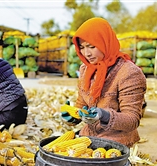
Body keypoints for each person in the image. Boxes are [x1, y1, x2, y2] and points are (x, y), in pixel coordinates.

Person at [61, 17, 147, 148]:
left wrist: (104, 115)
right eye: (82, 47)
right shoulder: (85, 69)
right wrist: (74, 116)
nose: (87, 53)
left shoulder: (129, 73)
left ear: (105, 43)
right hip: (89, 137)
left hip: (117, 142)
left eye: (91, 46)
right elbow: (82, 104)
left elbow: (132, 120)